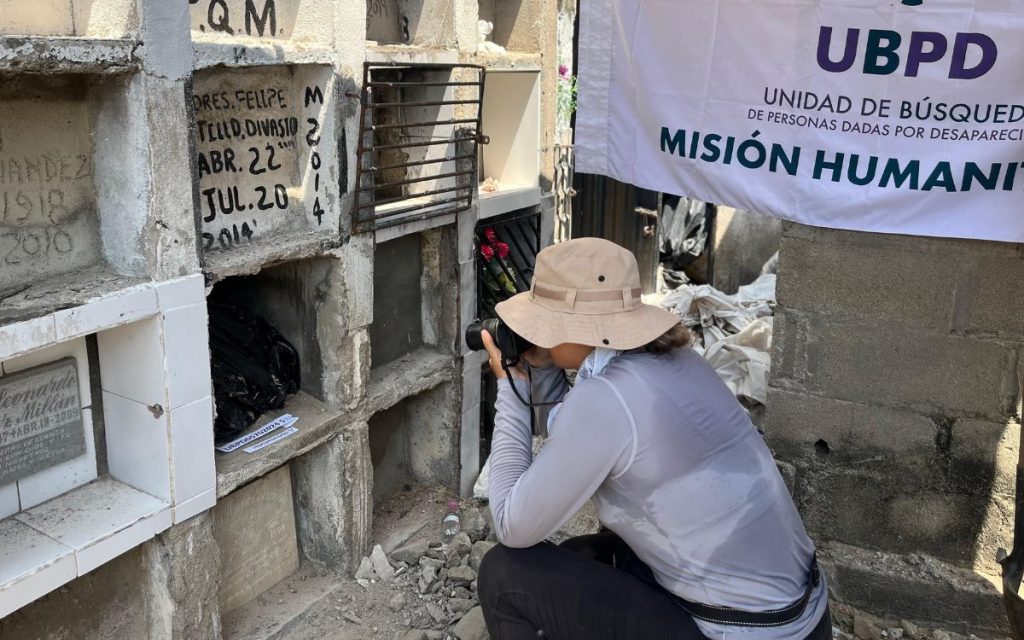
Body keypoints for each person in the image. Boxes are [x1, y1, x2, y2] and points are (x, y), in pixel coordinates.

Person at [476, 237, 831, 640]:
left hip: (744, 634)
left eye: (542, 324)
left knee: (505, 575)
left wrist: (511, 386)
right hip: (805, 620)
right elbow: (566, 428)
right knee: (581, 556)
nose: (534, 334)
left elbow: (512, 526)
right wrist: (540, 365)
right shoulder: (678, 361)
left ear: (572, 326)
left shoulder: (605, 400)